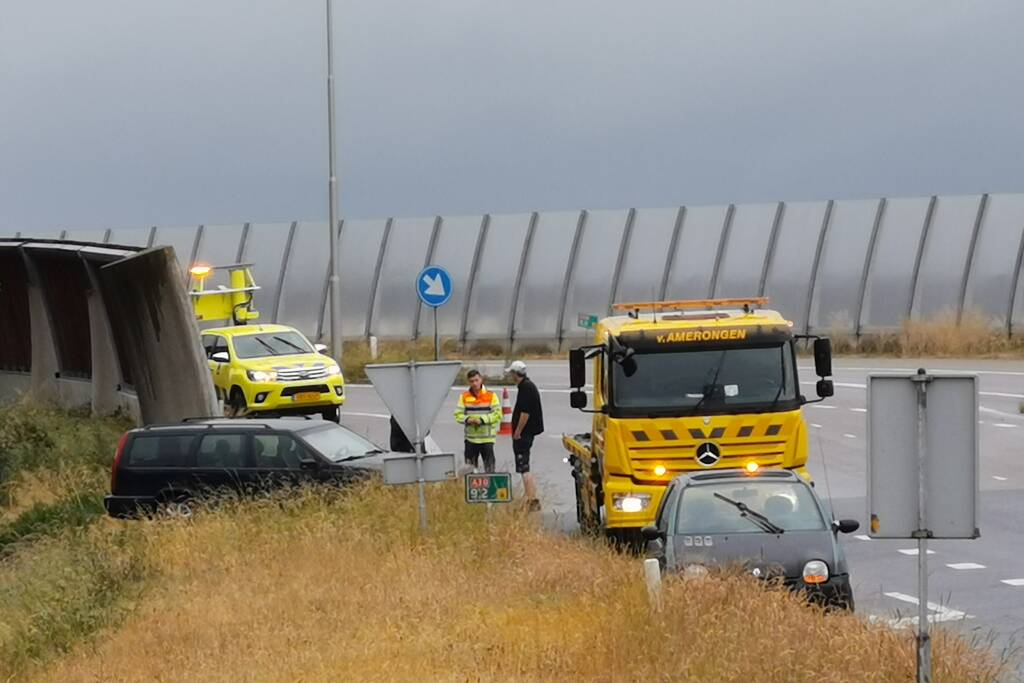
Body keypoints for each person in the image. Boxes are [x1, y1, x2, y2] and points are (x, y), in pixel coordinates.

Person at [506, 360, 544, 511]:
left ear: (516, 374)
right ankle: (530, 497)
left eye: (512, 373)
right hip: (527, 433)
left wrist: (518, 431)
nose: (511, 376)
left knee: (524, 467)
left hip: (525, 434)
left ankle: (532, 499)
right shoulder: (527, 386)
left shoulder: (526, 388)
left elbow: (525, 413)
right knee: (524, 467)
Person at [454, 369, 501, 472]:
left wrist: (482, 420)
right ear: (468, 382)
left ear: (481, 379)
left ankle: (490, 487)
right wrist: (468, 419)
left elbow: (497, 414)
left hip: (487, 439)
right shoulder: (464, 396)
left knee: (490, 469)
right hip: (471, 440)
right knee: (470, 471)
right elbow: (458, 415)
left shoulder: (491, 395)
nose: (474, 383)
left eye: (476, 380)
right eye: (472, 381)